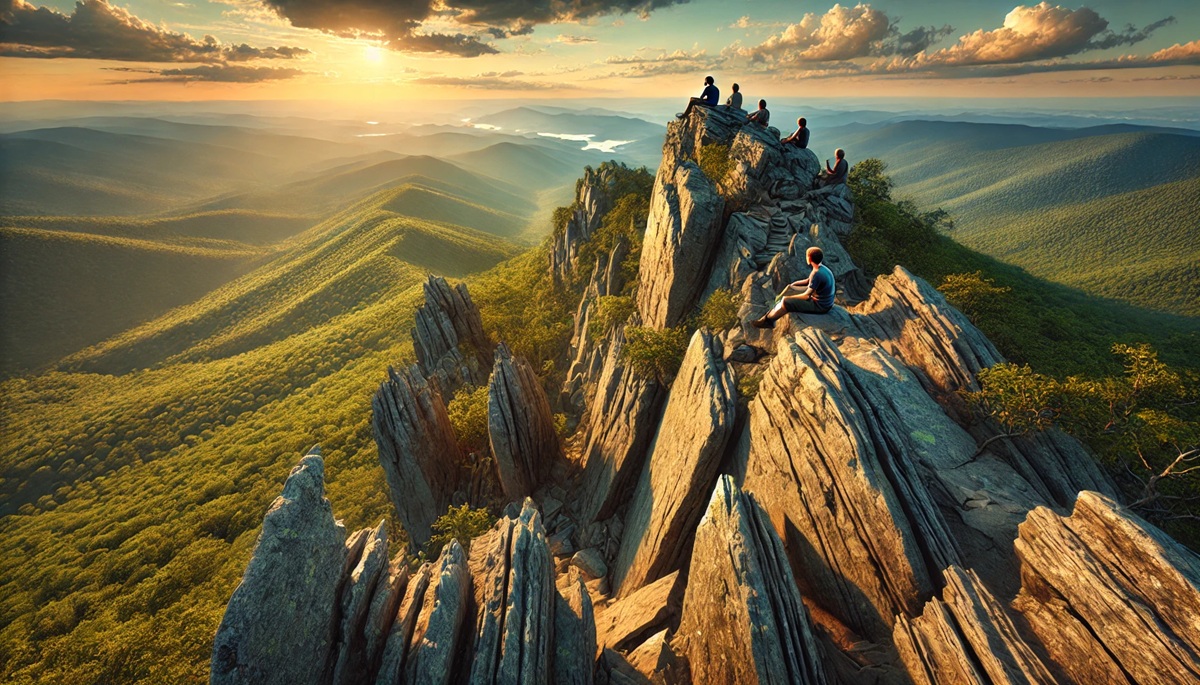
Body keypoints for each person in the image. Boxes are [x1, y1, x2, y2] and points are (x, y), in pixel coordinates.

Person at [751, 246, 835, 328]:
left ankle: (769, 321)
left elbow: (806, 295)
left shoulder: (816, 273)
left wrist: (788, 297)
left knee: (786, 302)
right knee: (789, 290)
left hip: (820, 306)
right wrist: (793, 285)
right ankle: (767, 316)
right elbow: (808, 281)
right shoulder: (822, 269)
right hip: (824, 302)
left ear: (809, 258)